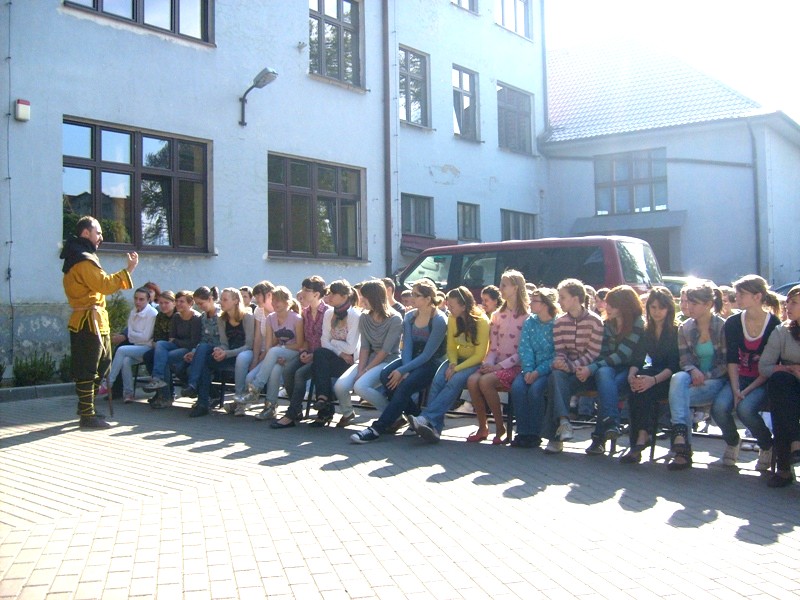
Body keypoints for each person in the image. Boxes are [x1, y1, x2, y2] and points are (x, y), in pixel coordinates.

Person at [60, 216, 138, 428]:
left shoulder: (83, 257)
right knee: (88, 368)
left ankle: (88, 408)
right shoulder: (82, 260)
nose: (101, 237)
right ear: (86, 233)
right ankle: (87, 414)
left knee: (103, 364)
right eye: (98, 233)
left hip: (95, 319)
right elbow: (103, 284)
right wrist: (128, 270)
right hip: (87, 321)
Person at [351, 280, 447, 443]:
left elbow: (427, 355)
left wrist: (404, 371)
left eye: (416, 295)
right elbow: (407, 347)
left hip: (431, 363)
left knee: (404, 385)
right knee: (386, 375)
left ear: (428, 299)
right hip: (411, 358)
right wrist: (405, 368)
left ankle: (377, 428)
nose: (411, 297)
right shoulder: (409, 316)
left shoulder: (439, 320)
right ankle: (418, 417)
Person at [711, 275, 781, 469]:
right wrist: (736, 389)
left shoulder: (774, 324)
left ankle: (766, 446)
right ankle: (733, 441)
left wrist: (746, 391)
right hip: (738, 377)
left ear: (757, 297)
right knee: (719, 408)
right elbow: (732, 359)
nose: (737, 298)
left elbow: (770, 364)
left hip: (762, 380)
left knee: (745, 409)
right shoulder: (733, 322)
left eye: (742, 294)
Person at [410, 287, 490, 443]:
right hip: (456, 360)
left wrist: (457, 369)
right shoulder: (453, 318)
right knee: (438, 381)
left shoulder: (482, 321)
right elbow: (451, 346)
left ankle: (427, 419)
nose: (448, 308)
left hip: (473, 362)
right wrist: (453, 364)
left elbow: (480, 355)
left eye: (452, 306)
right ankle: (435, 429)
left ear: (464, 306)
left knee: (454, 381)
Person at [666, 281, 728, 471]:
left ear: (708, 304)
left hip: (716, 380)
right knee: (678, 378)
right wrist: (693, 370)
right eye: (687, 302)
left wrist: (705, 375)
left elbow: (726, 364)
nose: (688, 307)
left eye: (694, 303)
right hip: (692, 378)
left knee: (679, 396)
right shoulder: (685, 327)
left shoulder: (723, 327)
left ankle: (682, 451)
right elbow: (684, 359)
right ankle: (680, 434)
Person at [576, 285, 645, 455]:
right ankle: (612, 423)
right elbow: (603, 353)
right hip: (608, 366)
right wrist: (595, 367)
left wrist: (591, 368)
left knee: (610, 386)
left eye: (612, 305)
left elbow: (623, 354)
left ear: (624, 306)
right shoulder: (607, 323)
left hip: (630, 367)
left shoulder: (638, 323)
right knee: (604, 376)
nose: (607, 307)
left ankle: (599, 438)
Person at [466, 270, 529, 444]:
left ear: (515, 288)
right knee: (472, 380)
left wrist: (498, 367)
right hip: (496, 364)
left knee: (486, 381)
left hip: (515, 366)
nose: (500, 288)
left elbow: (522, 352)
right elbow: (493, 347)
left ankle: (500, 427)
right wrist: (488, 364)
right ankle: (482, 426)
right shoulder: (497, 315)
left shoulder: (527, 317)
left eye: (504, 285)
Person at [542, 279, 604, 454]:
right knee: (555, 377)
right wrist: (560, 361)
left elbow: (593, 353)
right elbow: (560, 349)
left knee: (556, 385)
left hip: (588, 373)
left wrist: (570, 366)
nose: (559, 301)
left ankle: (556, 437)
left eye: (563, 297)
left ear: (575, 298)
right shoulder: (560, 322)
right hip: (567, 371)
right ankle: (564, 422)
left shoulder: (595, 321)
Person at [621, 286, 679, 464]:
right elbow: (638, 358)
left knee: (644, 389)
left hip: (669, 377)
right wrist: (632, 375)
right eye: (653, 307)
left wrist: (652, 381)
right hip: (651, 373)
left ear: (669, 309)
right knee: (636, 387)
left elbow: (674, 365)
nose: (656, 312)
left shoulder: (675, 331)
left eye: (661, 308)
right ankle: (639, 439)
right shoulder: (646, 330)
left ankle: (642, 436)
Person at [335, 281, 402, 430]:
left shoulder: (395, 319)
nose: (361, 300)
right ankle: (348, 413)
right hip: (369, 358)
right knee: (340, 386)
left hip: (388, 360)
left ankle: (394, 416)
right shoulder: (364, 317)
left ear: (374, 297)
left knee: (361, 387)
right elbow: (365, 347)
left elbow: (385, 351)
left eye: (363, 297)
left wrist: (365, 371)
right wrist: (360, 369)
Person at [270, 276, 329, 427]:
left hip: (323, 357)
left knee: (300, 374)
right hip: (307, 353)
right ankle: (296, 410)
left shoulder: (328, 312)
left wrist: (313, 355)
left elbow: (329, 341)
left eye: (306, 290)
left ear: (316, 294)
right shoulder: (305, 312)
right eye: (302, 289)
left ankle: (291, 414)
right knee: (288, 370)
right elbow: (305, 338)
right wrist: (303, 351)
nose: (302, 293)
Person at [190, 288, 255, 417]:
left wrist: (227, 353)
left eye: (225, 299)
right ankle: (202, 403)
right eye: (221, 299)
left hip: (244, 353)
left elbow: (248, 345)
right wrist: (220, 350)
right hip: (229, 353)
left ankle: (239, 401)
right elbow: (224, 343)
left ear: (236, 301)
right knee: (206, 361)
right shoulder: (222, 319)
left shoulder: (247, 317)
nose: (221, 302)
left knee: (241, 358)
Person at [243, 286, 304, 420]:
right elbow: (269, 345)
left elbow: (299, 344)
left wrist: (281, 350)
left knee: (275, 351)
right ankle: (270, 407)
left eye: (279, 300)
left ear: (287, 302)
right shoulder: (271, 318)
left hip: (294, 353)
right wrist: (275, 355)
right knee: (275, 370)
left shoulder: (297, 319)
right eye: (274, 300)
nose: (275, 303)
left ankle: (256, 387)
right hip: (278, 353)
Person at [759, 285, 800, 487]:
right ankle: (791, 452)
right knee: (780, 383)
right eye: (787, 302)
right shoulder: (782, 331)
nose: (787, 306)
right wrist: (789, 368)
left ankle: (787, 459)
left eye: (794, 303)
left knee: (784, 405)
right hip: (789, 387)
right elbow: (764, 366)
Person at [306, 280, 361, 428]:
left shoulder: (354, 315)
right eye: (329, 293)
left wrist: (334, 343)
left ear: (344, 296)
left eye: (333, 294)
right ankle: (323, 400)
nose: (329, 297)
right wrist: (339, 351)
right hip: (336, 357)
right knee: (319, 355)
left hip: (350, 361)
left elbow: (350, 348)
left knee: (319, 367)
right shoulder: (329, 313)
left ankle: (324, 408)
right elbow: (324, 341)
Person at [508, 287, 558, 448]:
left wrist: (538, 371)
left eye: (535, 300)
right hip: (529, 368)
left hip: (547, 370)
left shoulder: (557, 324)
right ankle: (522, 432)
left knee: (535, 391)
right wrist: (528, 369)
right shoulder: (530, 322)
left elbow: (557, 353)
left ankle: (535, 433)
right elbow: (525, 347)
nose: (530, 303)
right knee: (518, 388)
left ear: (545, 304)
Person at [145, 290, 201, 408]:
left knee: (165, 358)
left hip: (189, 349)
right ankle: (157, 378)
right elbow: (171, 337)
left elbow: (193, 343)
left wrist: (176, 341)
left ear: (190, 303)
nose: (178, 304)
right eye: (177, 301)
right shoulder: (176, 317)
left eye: (182, 301)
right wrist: (175, 341)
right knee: (160, 344)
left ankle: (166, 397)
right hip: (177, 345)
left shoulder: (195, 318)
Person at [106, 287, 157, 403]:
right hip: (136, 346)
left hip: (147, 348)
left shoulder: (152, 313)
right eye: (136, 298)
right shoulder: (133, 312)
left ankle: (109, 382)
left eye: (141, 299)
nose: (137, 302)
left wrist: (133, 335)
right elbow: (130, 333)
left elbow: (146, 337)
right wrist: (135, 335)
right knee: (125, 361)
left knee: (121, 350)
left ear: (148, 300)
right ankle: (128, 393)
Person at [180, 286, 221, 399]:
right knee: (184, 366)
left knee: (202, 354)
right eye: (197, 304)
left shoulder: (221, 315)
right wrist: (194, 352)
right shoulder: (203, 317)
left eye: (201, 303)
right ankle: (209, 397)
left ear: (210, 299)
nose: (199, 306)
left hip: (218, 350)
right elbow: (203, 338)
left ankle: (193, 385)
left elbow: (223, 339)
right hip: (204, 350)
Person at [142, 290, 175, 376]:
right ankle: (157, 380)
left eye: (166, 303)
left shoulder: (177, 316)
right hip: (161, 345)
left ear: (173, 303)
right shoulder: (160, 316)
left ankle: (162, 380)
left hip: (174, 344)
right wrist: (156, 343)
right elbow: (157, 335)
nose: (163, 306)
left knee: (163, 356)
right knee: (148, 356)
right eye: (161, 303)